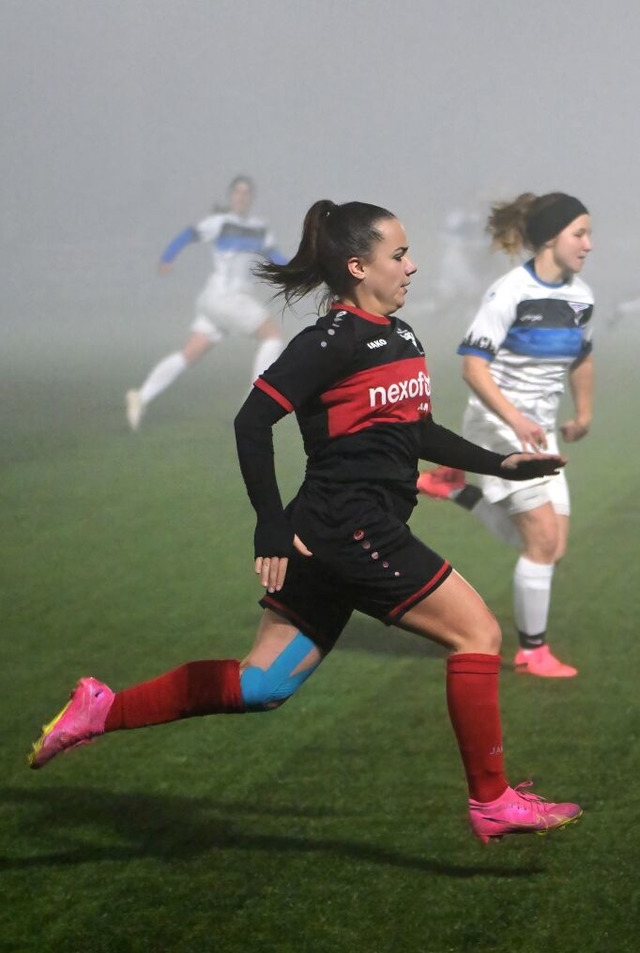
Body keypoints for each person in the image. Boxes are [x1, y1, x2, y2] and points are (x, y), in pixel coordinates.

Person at [29, 199, 582, 843]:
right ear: (357, 266)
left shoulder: (402, 337)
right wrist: (268, 523)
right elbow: (251, 421)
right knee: (480, 635)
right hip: (350, 531)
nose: (412, 266)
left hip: (331, 537)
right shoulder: (328, 343)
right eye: (398, 255)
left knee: (261, 684)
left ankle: (101, 709)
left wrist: (501, 464)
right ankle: (491, 801)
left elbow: (419, 431)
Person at [418, 192, 594, 678]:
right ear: (552, 237)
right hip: (499, 426)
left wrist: (582, 412)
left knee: (551, 546)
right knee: (540, 541)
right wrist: (515, 420)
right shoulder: (510, 291)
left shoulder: (581, 296)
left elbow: (581, 356)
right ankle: (532, 651)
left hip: (539, 433)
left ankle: (457, 490)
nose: (589, 244)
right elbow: (473, 368)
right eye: (580, 233)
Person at [126, 175, 286, 430]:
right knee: (273, 336)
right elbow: (188, 235)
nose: (241, 197)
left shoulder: (259, 228)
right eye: (237, 192)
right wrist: (168, 258)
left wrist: (300, 271)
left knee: (190, 353)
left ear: (251, 198)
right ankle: (256, 406)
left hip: (215, 303)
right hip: (226, 298)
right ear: (231, 197)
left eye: (246, 193)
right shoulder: (220, 223)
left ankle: (140, 397)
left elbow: (276, 257)